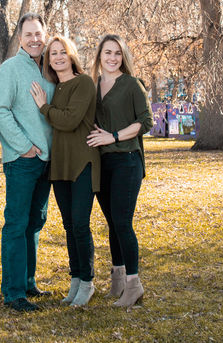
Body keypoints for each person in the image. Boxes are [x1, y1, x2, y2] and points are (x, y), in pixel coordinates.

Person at [0, 13, 55, 312]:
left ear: (45, 35)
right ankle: (13, 292)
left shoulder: (50, 68)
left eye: (38, 34)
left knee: (35, 222)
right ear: (20, 38)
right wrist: (24, 146)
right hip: (22, 159)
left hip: (47, 160)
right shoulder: (10, 69)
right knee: (17, 224)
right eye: (28, 34)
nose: (34, 39)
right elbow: (0, 111)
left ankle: (28, 282)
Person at [30, 35, 99, 307]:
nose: (58, 57)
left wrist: (44, 107)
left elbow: (69, 121)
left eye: (62, 52)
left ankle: (88, 282)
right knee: (69, 225)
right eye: (53, 53)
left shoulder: (84, 83)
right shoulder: (55, 88)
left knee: (80, 223)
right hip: (60, 164)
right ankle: (76, 279)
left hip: (82, 161)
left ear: (71, 56)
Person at [86, 34, 153, 308]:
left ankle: (134, 285)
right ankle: (118, 279)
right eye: (107, 52)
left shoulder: (132, 85)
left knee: (123, 222)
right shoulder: (93, 85)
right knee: (113, 222)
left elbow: (146, 121)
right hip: (103, 163)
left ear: (123, 57)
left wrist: (113, 136)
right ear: (99, 56)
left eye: (117, 53)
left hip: (127, 160)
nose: (112, 58)